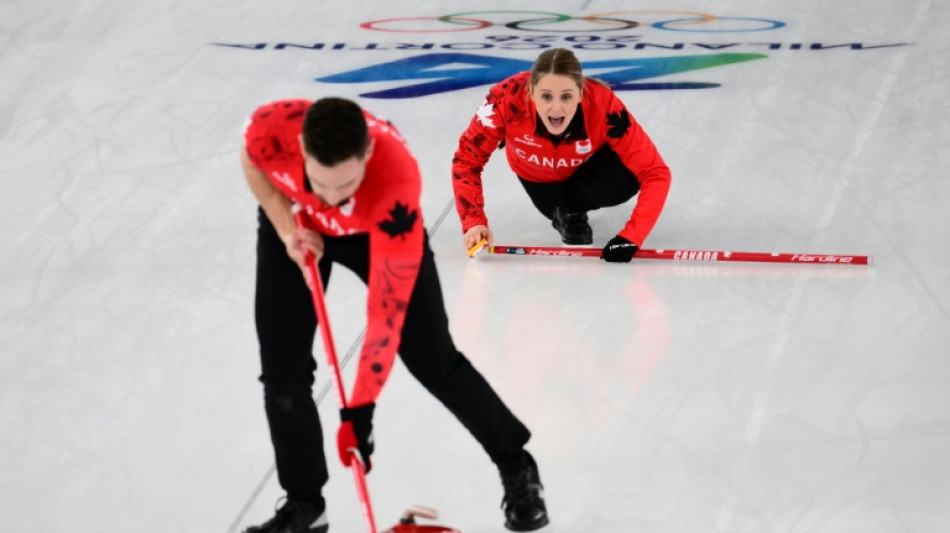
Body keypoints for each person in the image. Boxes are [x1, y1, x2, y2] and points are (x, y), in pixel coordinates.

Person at [239, 97, 549, 533]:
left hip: (378, 231)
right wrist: (287, 227)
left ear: (366, 154)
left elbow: (385, 318)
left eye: (344, 186)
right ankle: (305, 506)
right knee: (282, 371)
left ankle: (517, 466)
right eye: (320, 183)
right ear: (301, 149)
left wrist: (360, 412)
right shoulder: (271, 127)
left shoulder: (395, 183)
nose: (331, 199)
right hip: (297, 227)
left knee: (432, 358)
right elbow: (252, 161)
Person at [452, 48, 672, 262]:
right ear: (530, 92)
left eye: (566, 97)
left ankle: (571, 208)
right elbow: (466, 161)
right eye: (546, 96)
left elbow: (655, 172)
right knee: (553, 206)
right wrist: (474, 223)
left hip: (589, 171)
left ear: (580, 93)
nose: (556, 109)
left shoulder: (603, 105)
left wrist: (631, 237)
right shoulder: (504, 100)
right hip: (542, 185)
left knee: (628, 176)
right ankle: (565, 212)